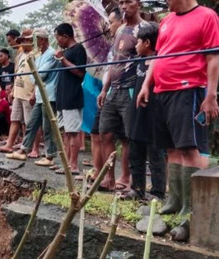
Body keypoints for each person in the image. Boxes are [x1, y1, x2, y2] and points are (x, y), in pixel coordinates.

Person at [136, 0, 219, 241]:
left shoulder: (207, 16)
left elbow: (213, 57)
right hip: (163, 92)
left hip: (189, 89)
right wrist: (146, 84)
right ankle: (174, 200)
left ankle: (191, 208)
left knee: (189, 148)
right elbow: (159, 55)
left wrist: (211, 95)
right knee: (171, 148)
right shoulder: (167, 20)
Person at [97, 0, 148, 191]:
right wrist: (104, 89)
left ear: (139, 4)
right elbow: (114, 62)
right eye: (122, 3)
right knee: (105, 133)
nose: (124, 6)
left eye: (129, 2)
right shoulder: (120, 30)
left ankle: (126, 177)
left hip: (131, 89)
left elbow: (148, 61)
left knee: (128, 137)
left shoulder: (144, 29)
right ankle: (108, 178)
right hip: (113, 89)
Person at [119, 22, 166, 201]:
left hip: (154, 116)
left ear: (147, 43)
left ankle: (157, 192)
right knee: (135, 154)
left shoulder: (159, 61)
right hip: (137, 115)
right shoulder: (138, 61)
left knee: (155, 156)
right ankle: (137, 189)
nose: (135, 45)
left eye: (138, 42)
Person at [80, 7, 125, 182]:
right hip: (105, 92)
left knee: (119, 137)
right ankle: (100, 173)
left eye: (111, 22)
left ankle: (119, 178)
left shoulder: (129, 39)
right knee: (96, 133)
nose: (109, 26)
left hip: (120, 91)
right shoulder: (107, 45)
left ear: (120, 22)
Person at [5, 28, 60, 167]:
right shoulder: (39, 55)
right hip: (40, 94)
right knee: (31, 124)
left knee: (47, 126)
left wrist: (35, 76)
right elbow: (34, 75)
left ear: (42, 39)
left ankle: (50, 155)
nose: (35, 43)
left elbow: (39, 75)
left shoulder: (51, 54)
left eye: (36, 40)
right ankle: (24, 150)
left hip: (49, 95)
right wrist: (35, 78)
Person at [0, 28, 36, 153]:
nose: (22, 42)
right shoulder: (20, 55)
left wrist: (34, 92)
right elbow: (17, 74)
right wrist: (12, 91)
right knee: (15, 118)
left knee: (29, 121)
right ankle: (10, 144)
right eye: (21, 40)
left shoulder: (35, 54)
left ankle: (30, 147)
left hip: (28, 92)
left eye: (25, 40)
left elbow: (37, 76)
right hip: (18, 91)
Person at [53, 23, 87, 174]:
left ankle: (73, 165)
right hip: (62, 98)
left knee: (73, 132)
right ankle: (67, 164)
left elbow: (80, 72)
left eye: (58, 37)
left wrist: (63, 60)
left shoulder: (79, 49)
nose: (57, 41)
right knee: (66, 132)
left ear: (65, 36)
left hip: (72, 97)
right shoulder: (67, 51)